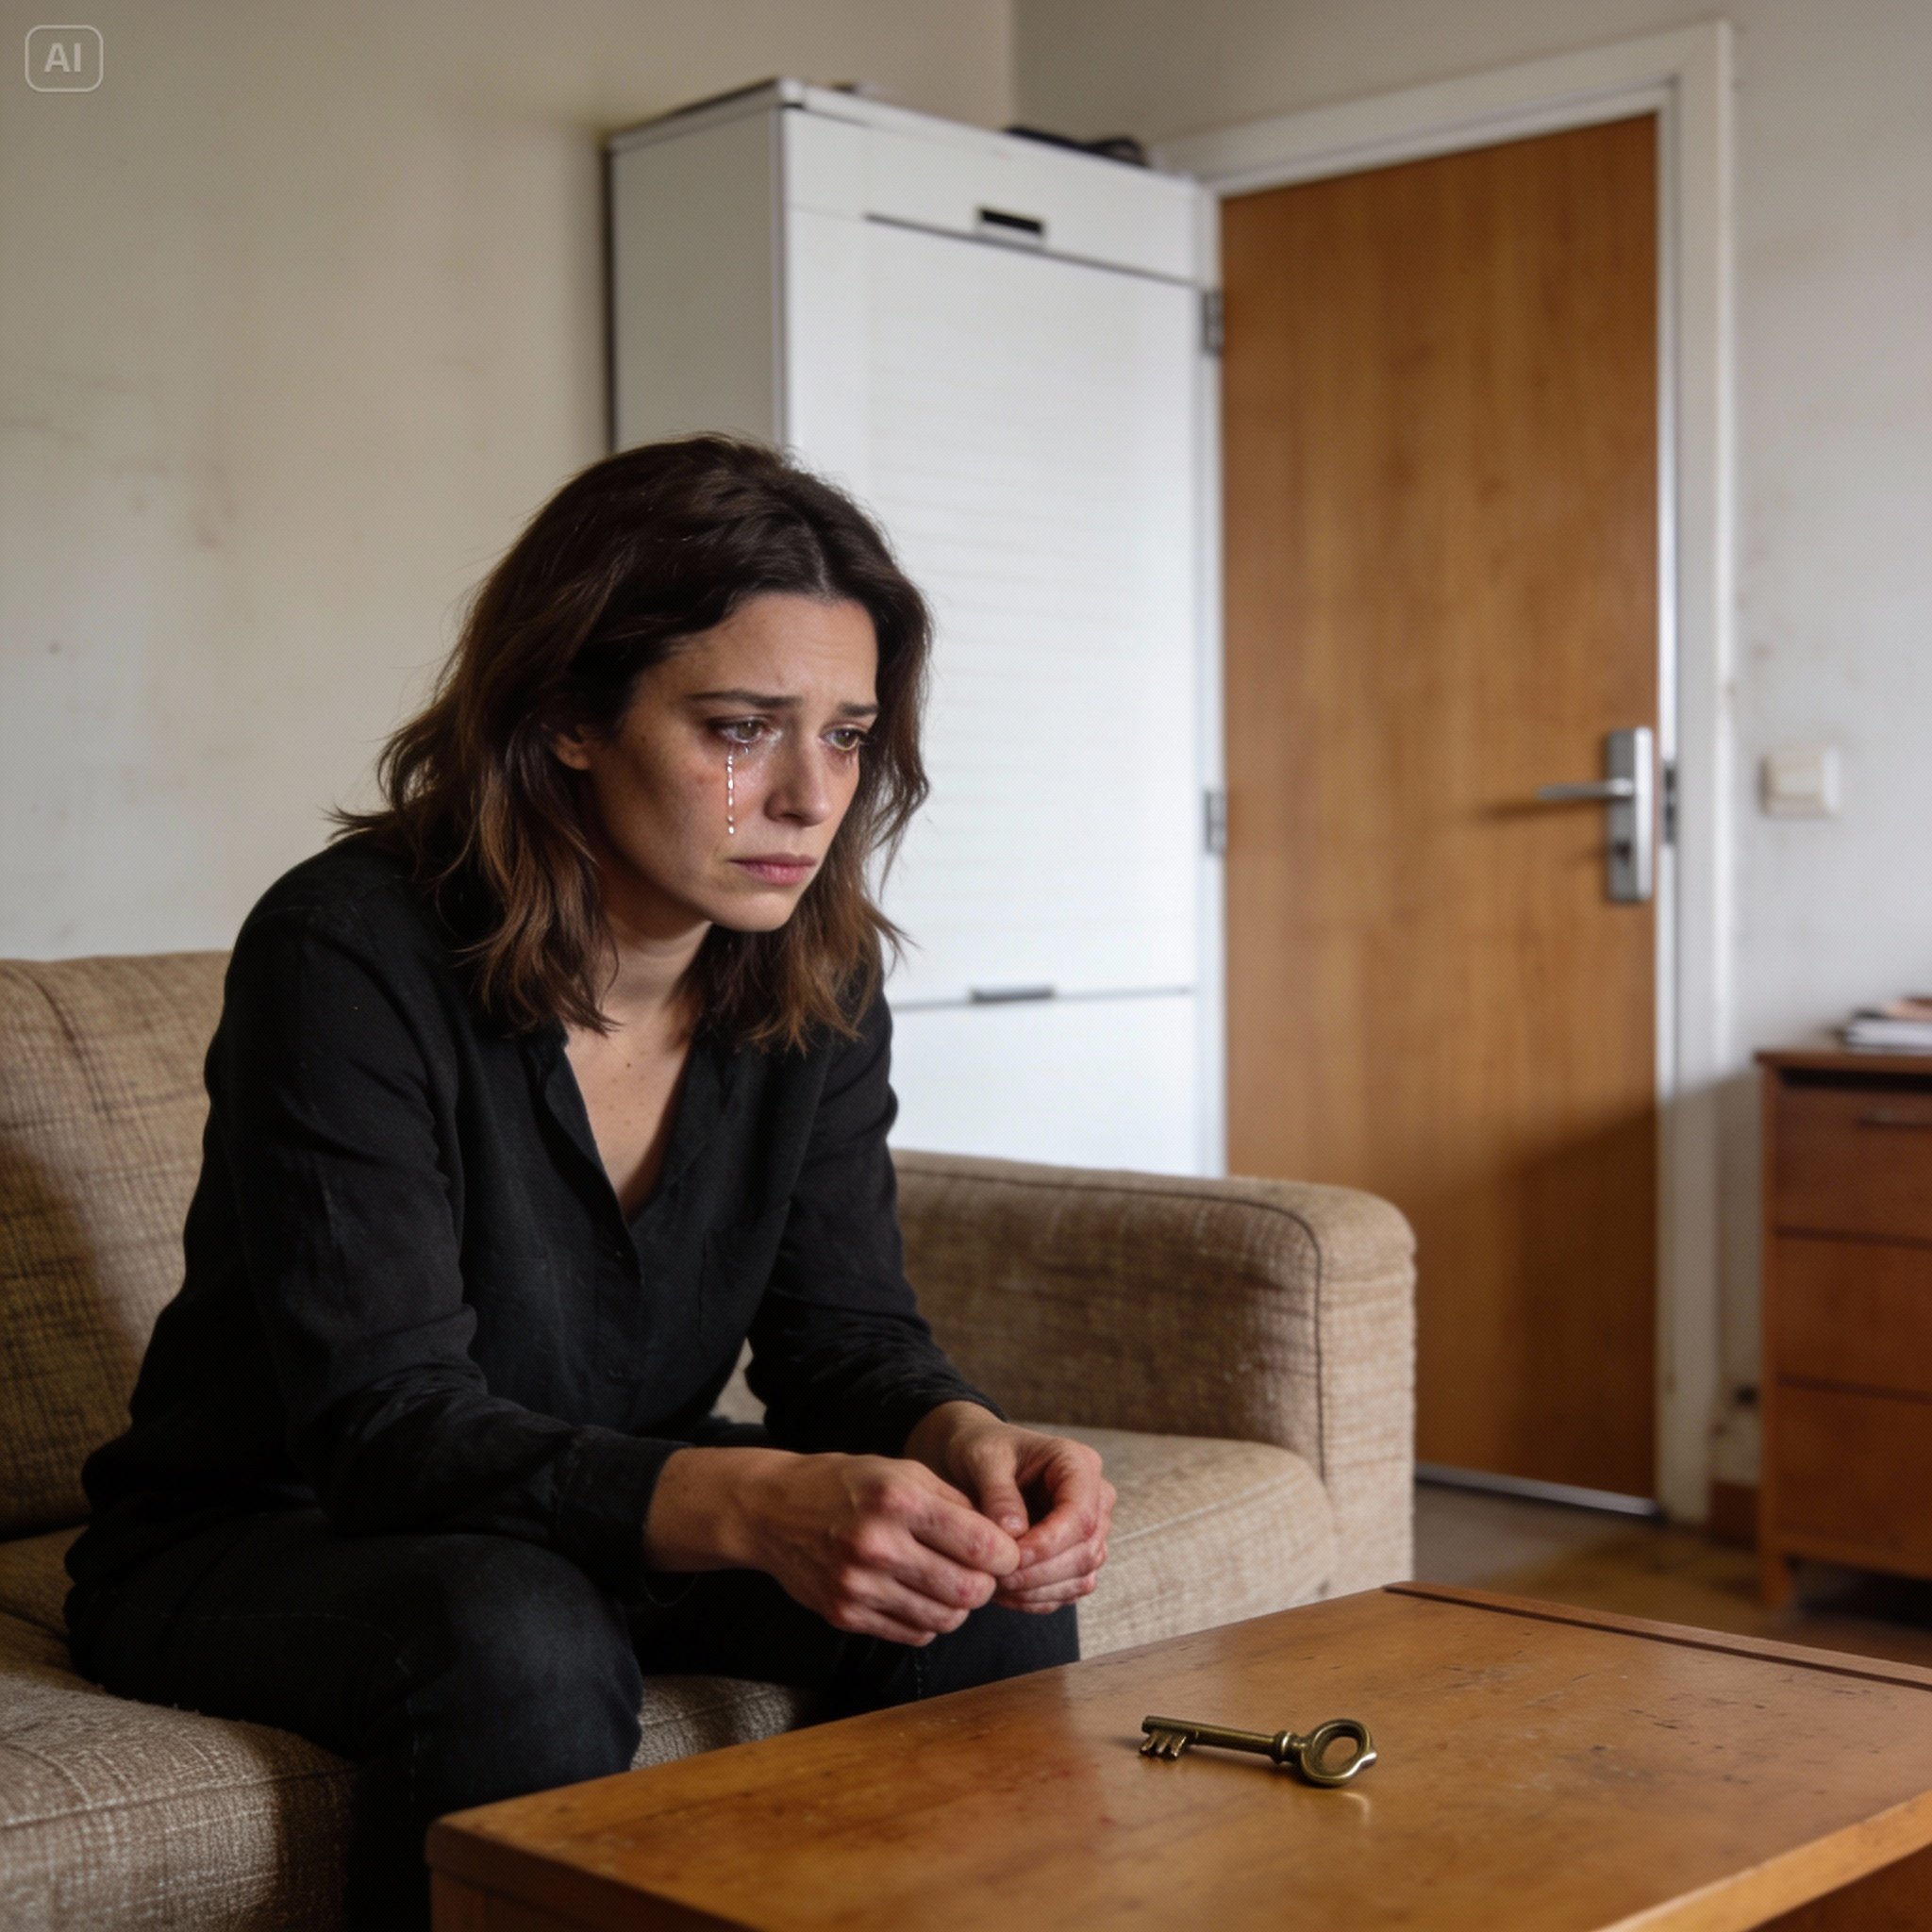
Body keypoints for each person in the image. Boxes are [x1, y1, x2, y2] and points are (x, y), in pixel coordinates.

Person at [62, 433, 1114, 1929]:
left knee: (981, 1595)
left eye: (847, 736)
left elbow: (843, 1342)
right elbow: (383, 1427)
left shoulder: (819, 976)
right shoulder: (346, 952)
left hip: (606, 1510)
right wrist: (749, 1502)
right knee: (521, 1634)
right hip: (277, 1531)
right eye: (742, 730)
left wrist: (969, 1441)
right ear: (567, 715)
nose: (809, 799)